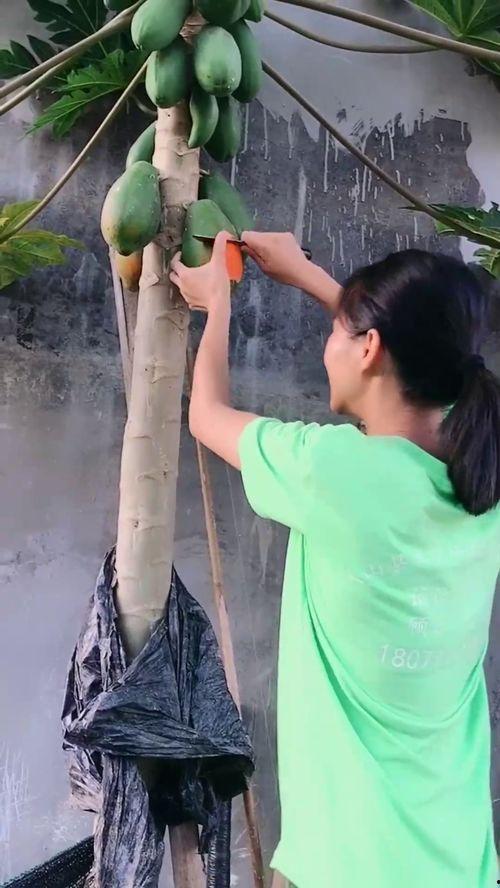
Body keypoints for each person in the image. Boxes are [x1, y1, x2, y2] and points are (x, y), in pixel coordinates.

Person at [170, 230, 500, 888]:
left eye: (337, 333)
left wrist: (216, 305)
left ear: (370, 349)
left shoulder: (333, 470)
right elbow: (415, 361)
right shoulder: (482, 476)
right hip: (458, 861)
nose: (328, 350)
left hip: (347, 866)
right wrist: (316, 281)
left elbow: (205, 415)